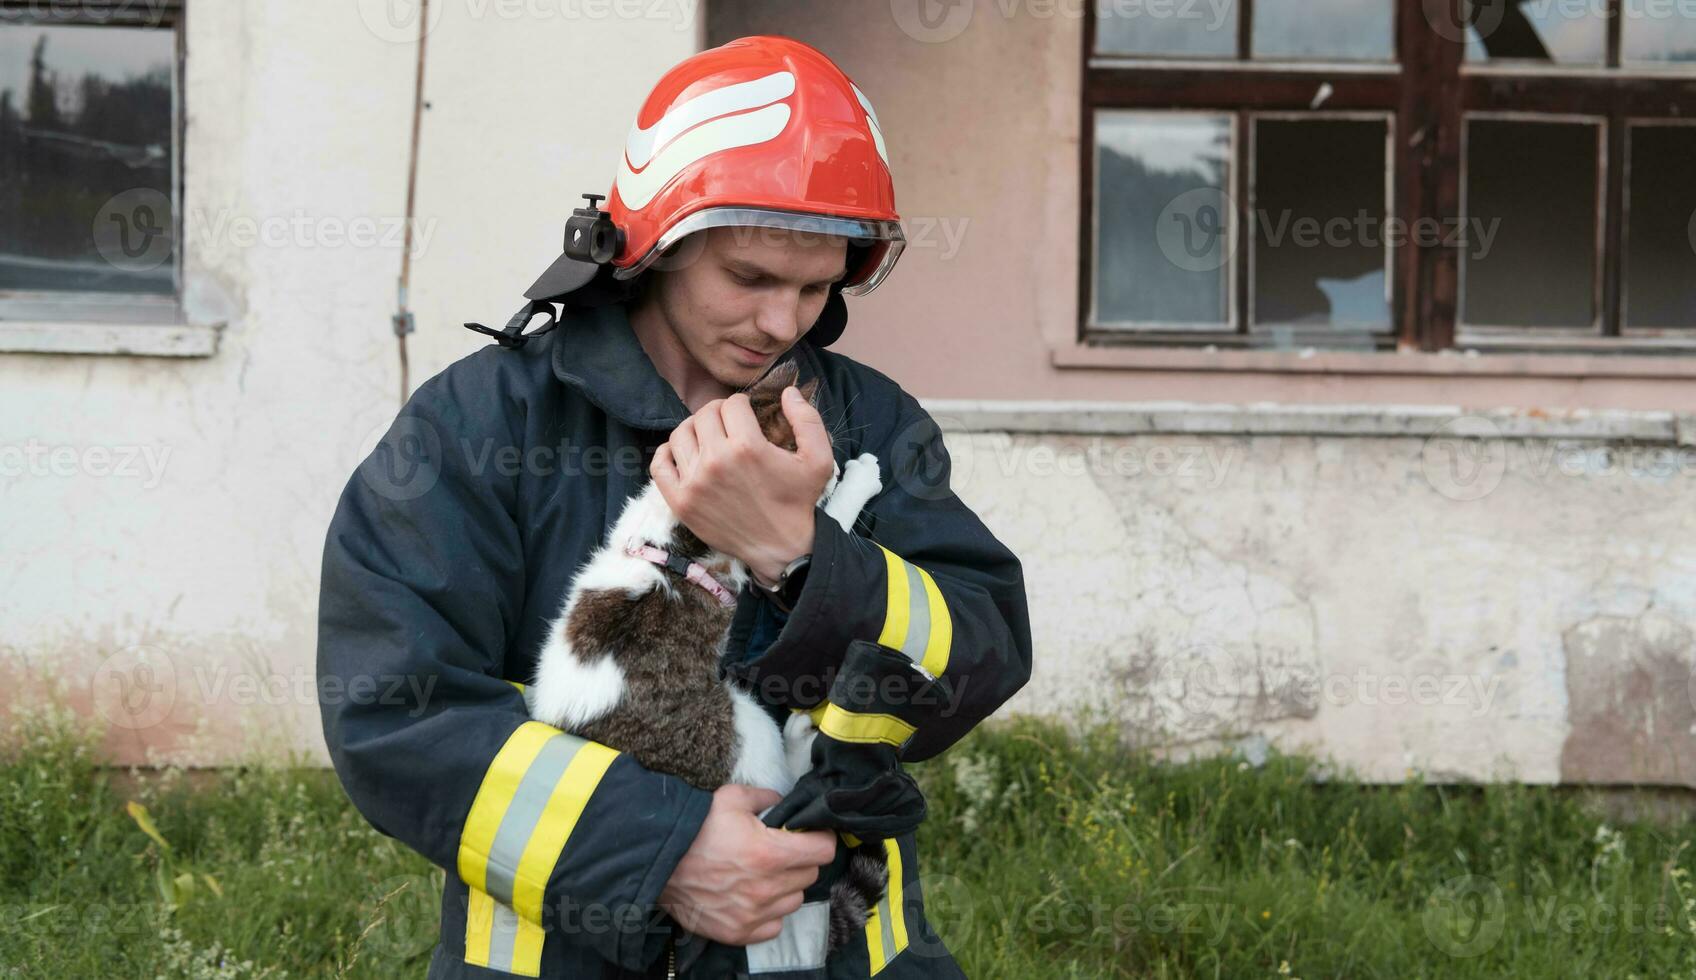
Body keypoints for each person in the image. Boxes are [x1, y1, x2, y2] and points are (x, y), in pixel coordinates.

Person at [316, 35, 1032, 979]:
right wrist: (666, 853)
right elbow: (394, 709)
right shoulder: (478, 425)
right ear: (656, 246)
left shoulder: (867, 423)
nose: (784, 323)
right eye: (750, 278)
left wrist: (802, 555)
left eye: (816, 287)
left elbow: (975, 659)